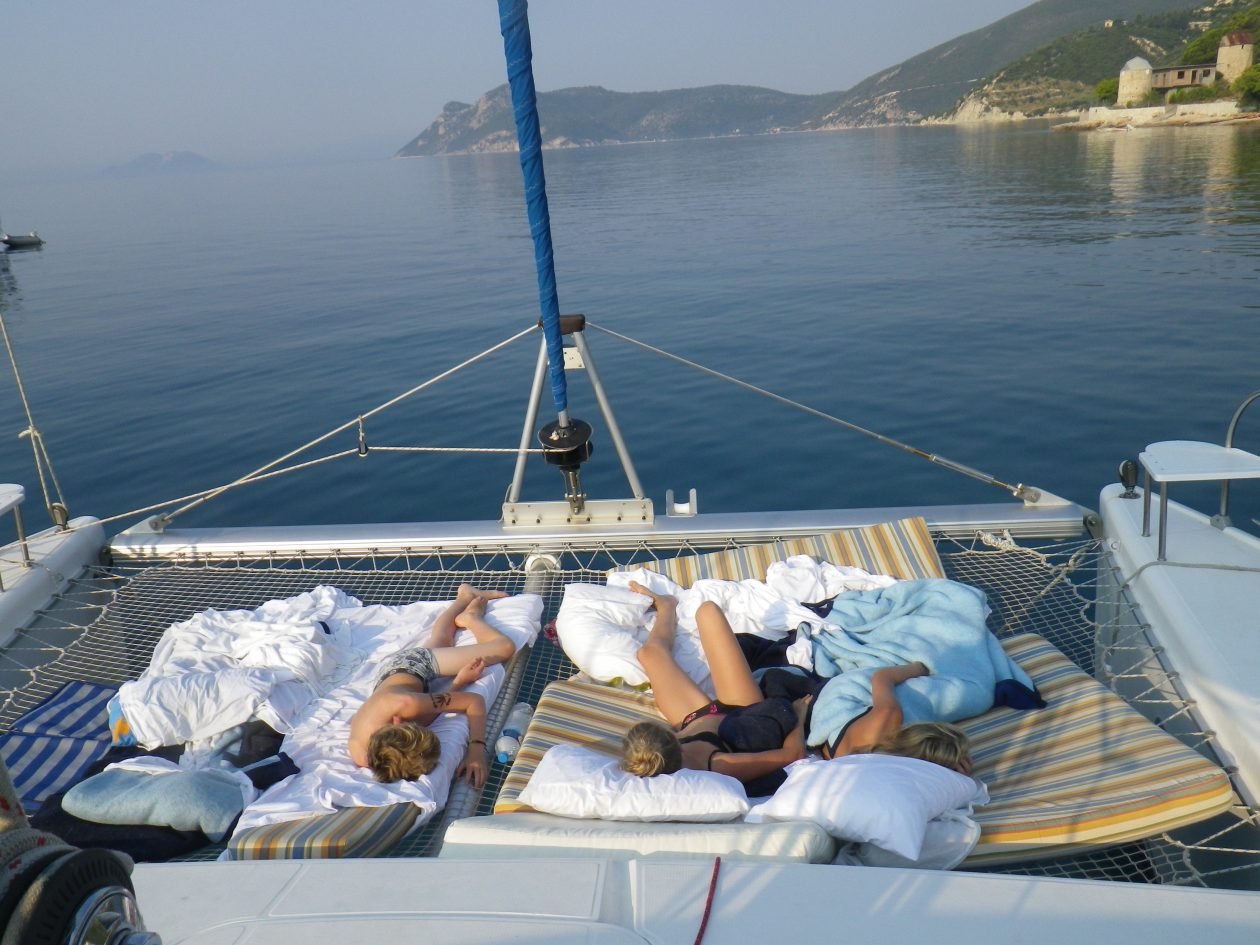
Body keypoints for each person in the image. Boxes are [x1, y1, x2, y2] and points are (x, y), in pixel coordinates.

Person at [619, 582, 810, 788]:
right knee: (707, 611)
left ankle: (667, 606)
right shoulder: (719, 765)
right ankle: (668, 606)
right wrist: (798, 716)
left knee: (649, 654)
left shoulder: (652, 758)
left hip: (691, 718)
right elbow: (792, 754)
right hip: (739, 708)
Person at [348, 584, 514, 788]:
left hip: (412, 665)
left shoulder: (407, 704)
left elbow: (474, 701)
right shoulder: (364, 756)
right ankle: (465, 597)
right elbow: (423, 721)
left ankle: (471, 619)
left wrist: (476, 751)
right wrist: (458, 682)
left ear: (399, 721)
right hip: (389, 684)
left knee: (504, 648)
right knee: (441, 640)